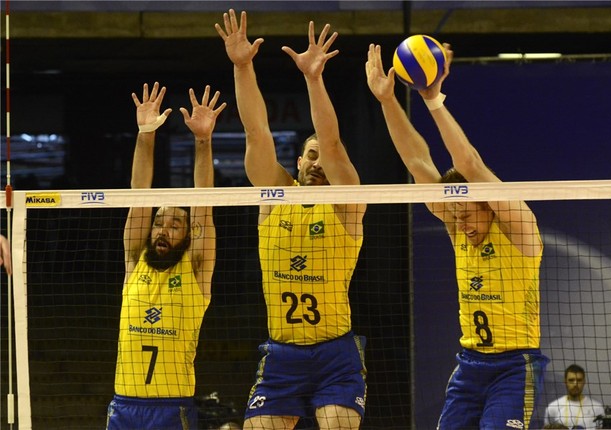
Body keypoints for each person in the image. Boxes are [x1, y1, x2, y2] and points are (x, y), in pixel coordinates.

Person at [366, 43, 549, 429]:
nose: (459, 224)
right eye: (454, 216)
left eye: (466, 214)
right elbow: (416, 160)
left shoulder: (519, 226)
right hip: (469, 365)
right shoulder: (457, 225)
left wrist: (432, 99)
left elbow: (469, 163)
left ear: (488, 205)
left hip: (514, 367)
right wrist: (387, 100)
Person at [216, 10, 367, 430]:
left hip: (335, 353)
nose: (318, 163)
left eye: (323, 159)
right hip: (282, 354)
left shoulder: (347, 203)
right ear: (298, 162)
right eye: (310, 156)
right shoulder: (274, 194)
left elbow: (332, 144)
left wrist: (313, 78)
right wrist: (242, 67)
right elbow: (256, 132)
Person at [106, 82, 226, 430]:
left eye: (175, 225)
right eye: (159, 223)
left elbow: (203, 204)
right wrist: (146, 133)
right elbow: (139, 193)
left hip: (172, 408)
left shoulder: (196, 268)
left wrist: (203, 141)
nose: (163, 230)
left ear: (188, 235)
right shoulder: (135, 260)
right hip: (124, 406)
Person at [544, 364, 605, 430]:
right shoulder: (552, 407)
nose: (575, 384)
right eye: (571, 380)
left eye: (579, 380)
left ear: (584, 381)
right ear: (565, 381)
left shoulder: (597, 408)